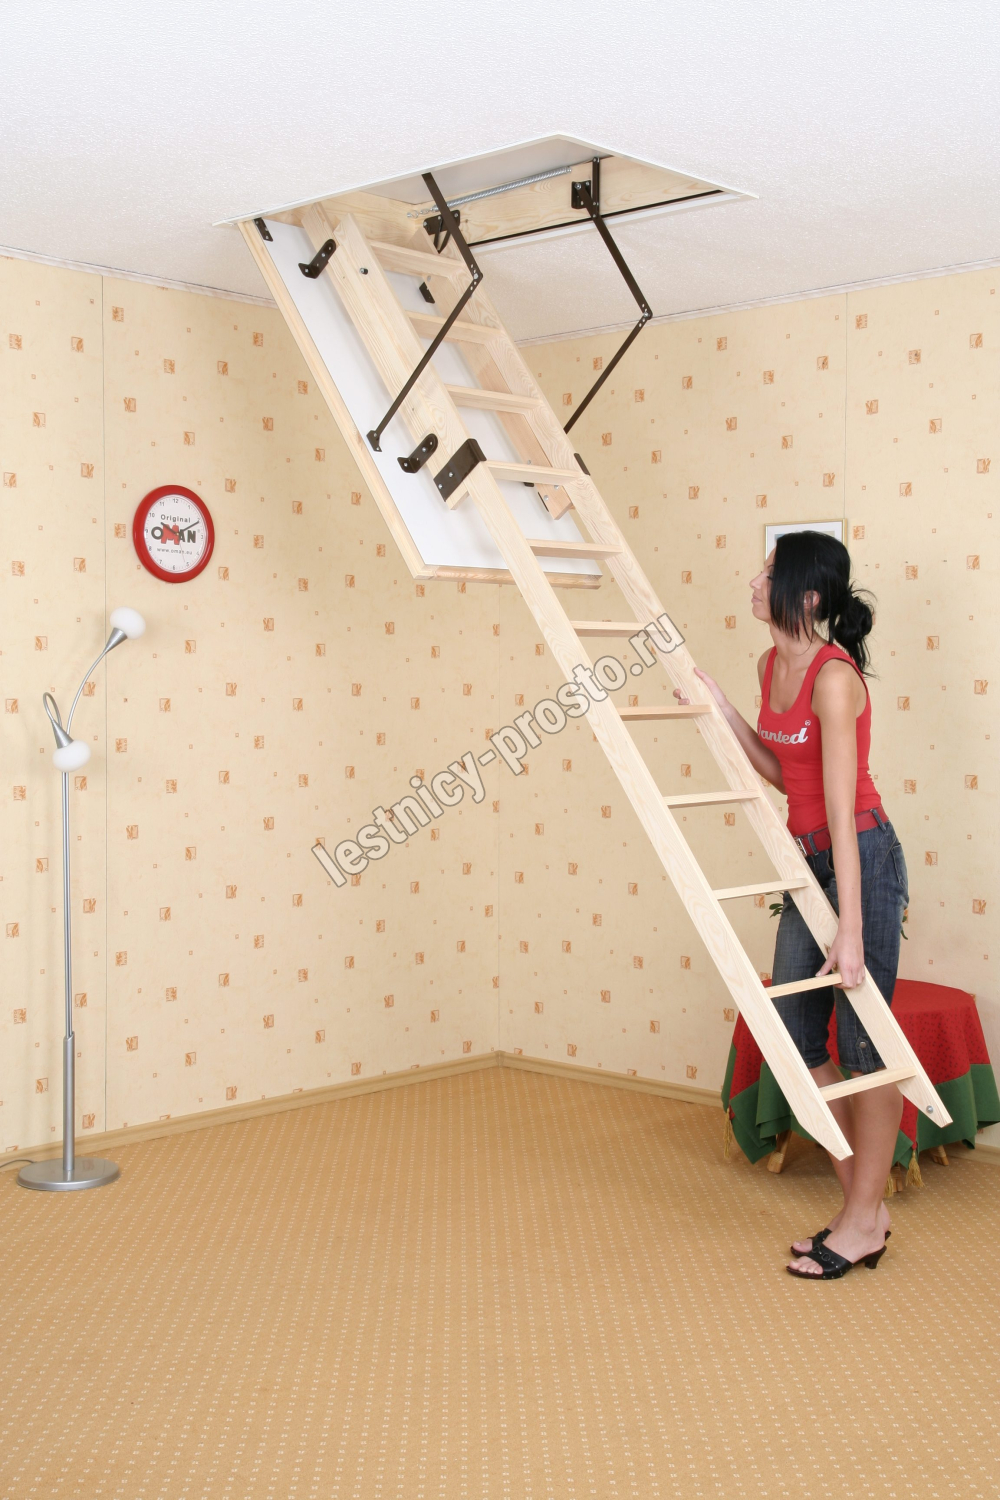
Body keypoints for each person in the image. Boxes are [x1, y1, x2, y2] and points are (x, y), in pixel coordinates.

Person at [675, 530, 908, 1280]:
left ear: (806, 596)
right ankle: (864, 1214)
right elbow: (784, 773)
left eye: (769, 572)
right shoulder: (769, 664)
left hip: (859, 856)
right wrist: (722, 711)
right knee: (800, 1039)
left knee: (865, 1050)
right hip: (805, 861)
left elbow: (840, 808)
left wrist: (852, 926)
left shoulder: (834, 679)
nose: (753, 581)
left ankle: (861, 1220)